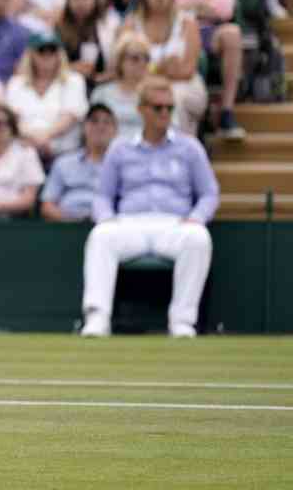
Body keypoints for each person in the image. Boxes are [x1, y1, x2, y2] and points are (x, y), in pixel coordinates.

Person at [82, 75, 217, 338]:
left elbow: (209, 193)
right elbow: (102, 196)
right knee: (100, 236)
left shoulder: (190, 148)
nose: (164, 113)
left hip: (174, 223)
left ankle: (182, 321)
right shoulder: (120, 149)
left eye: (169, 108)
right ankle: (97, 317)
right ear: (141, 109)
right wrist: (106, 218)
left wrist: (197, 217)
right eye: (158, 107)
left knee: (199, 239)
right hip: (130, 224)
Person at [161, 0, 248, 140]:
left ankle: (227, 111)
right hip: (174, 31)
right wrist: (197, 5)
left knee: (232, 33)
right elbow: (162, 8)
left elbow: (223, 8)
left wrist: (189, 7)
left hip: (208, 30)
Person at [121, 0, 208, 136]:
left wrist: (150, 71)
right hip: (141, 84)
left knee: (173, 100)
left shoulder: (187, 23)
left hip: (185, 85)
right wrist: (161, 69)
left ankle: (179, 150)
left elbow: (187, 71)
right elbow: (125, 67)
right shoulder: (131, 24)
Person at [6, 30, 89, 163]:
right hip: (24, 153)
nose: (47, 55)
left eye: (52, 50)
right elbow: (13, 120)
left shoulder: (74, 80)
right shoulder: (16, 83)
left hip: (64, 153)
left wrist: (44, 137)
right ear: (31, 55)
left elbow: (70, 117)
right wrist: (37, 139)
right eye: (41, 50)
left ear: (60, 54)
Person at [40, 102, 117, 221]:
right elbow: (47, 205)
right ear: (84, 127)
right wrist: (71, 220)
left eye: (107, 122)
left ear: (115, 130)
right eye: (94, 121)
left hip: (109, 226)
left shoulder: (122, 165)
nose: (100, 127)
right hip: (67, 227)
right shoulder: (64, 163)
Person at [90, 31, 150, 138]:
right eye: (135, 58)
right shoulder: (101, 93)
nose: (142, 63)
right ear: (120, 61)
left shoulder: (154, 93)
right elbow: (92, 128)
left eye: (146, 58)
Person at [57, 0, 114, 88]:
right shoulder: (58, 28)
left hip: (102, 84)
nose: (80, 2)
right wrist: (71, 68)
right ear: (68, 0)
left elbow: (118, 65)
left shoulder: (108, 25)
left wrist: (102, 77)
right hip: (67, 84)